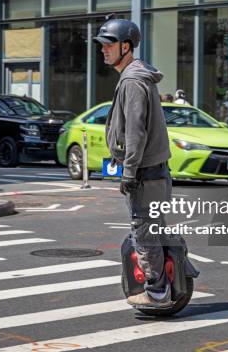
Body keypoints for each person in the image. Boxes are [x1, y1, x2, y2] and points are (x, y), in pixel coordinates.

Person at [94, 17, 172, 308]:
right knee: (153, 227)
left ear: (125, 46)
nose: (103, 50)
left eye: (108, 44)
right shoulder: (135, 75)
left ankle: (158, 291)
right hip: (152, 171)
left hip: (145, 173)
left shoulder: (132, 81)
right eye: (101, 45)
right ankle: (172, 281)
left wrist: (128, 172)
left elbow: (135, 131)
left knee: (144, 228)